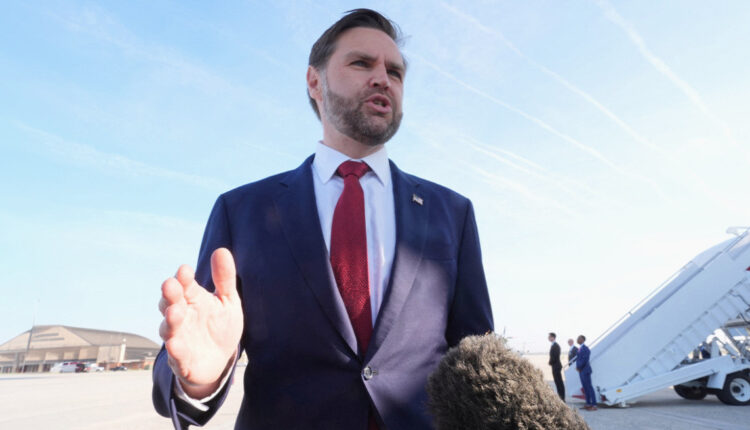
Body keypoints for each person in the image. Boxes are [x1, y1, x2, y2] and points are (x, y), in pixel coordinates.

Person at [152, 9, 494, 430]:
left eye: (395, 72)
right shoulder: (241, 210)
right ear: (314, 82)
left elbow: (476, 358)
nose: (383, 79)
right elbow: (199, 331)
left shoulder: (452, 213)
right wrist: (199, 378)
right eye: (361, 63)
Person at [575, 335, 597, 411]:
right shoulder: (579, 349)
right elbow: (578, 359)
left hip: (585, 370)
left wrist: (579, 367)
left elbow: (585, 360)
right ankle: (588, 403)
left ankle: (594, 404)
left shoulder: (586, 349)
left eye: (579, 338)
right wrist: (578, 367)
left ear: (583, 340)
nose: (577, 339)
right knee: (585, 387)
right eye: (577, 338)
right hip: (581, 371)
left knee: (589, 387)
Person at [548, 332, 565, 400]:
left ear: (553, 337)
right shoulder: (553, 345)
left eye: (549, 337)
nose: (548, 338)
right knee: (557, 382)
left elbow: (555, 356)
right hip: (554, 365)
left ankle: (562, 397)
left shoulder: (556, 346)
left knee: (559, 382)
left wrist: (550, 362)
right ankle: (560, 396)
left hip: (556, 366)